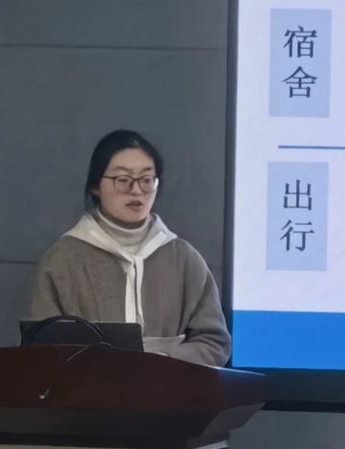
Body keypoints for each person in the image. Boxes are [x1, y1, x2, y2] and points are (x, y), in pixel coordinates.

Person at [28, 129, 230, 366]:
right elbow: (39, 348)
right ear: (95, 186)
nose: (136, 190)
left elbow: (214, 341)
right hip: (87, 388)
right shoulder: (63, 259)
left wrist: (163, 362)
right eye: (123, 180)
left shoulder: (183, 259)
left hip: (169, 388)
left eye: (147, 180)